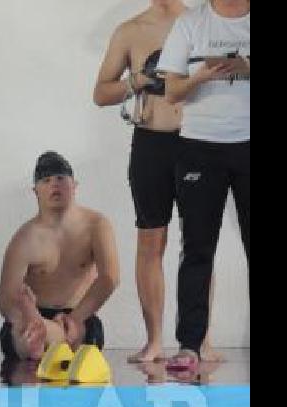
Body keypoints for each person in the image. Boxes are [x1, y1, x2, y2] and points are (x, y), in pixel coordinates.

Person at [93, 0, 218, 363]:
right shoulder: (130, 31)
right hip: (151, 142)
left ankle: (200, 340)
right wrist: (138, 81)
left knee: (198, 244)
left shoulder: (205, 23)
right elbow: (100, 93)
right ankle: (154, 340)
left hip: (199, 141)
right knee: (151, 241)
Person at [157, 0, 249, 371]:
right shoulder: (191, 23)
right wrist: (204, 75)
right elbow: (172, 92)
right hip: (198, 147)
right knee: (197, 249)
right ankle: (189, 345)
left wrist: (246, 68)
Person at [0, 151, 120, 360]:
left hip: (80, 313)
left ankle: (43, 335)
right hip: (35, 314)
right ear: (35, 191)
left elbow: (110, 278)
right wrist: (23, 316)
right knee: (22, 331)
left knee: (74, 332)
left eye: (61, 178)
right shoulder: (24, 238)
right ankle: (38, 333)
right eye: (46, 180)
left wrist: (75, 317)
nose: (54, 184)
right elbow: (6, 298)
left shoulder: (97, 225)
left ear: (75, 185)